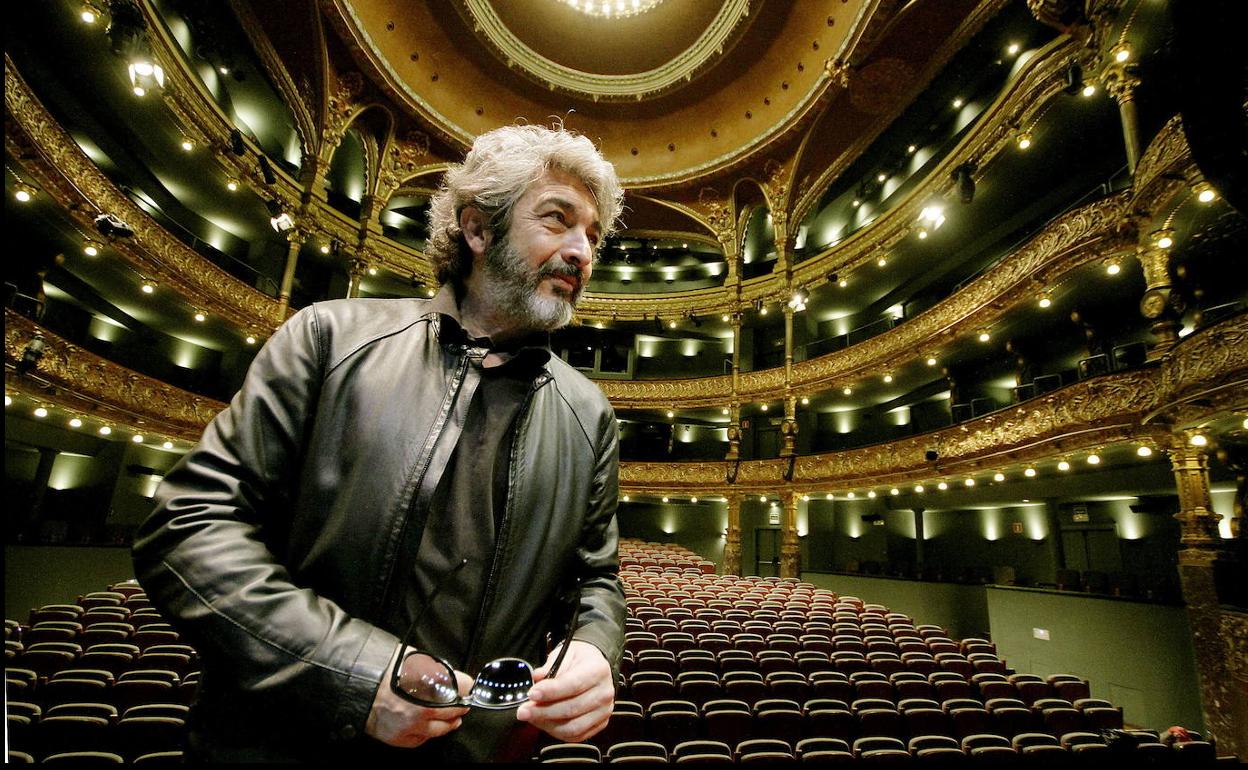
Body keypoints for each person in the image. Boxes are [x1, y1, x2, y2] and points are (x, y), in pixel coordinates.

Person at [132, 124, 627, 762]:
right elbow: (188, 527)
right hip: (284, 744)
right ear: (477, 230)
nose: (581, 251)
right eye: (557, 220)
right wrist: (359, 674)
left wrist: (593, 646)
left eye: (591, 235)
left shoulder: (590, 414)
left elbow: (593, 580)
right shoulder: (328, 338)